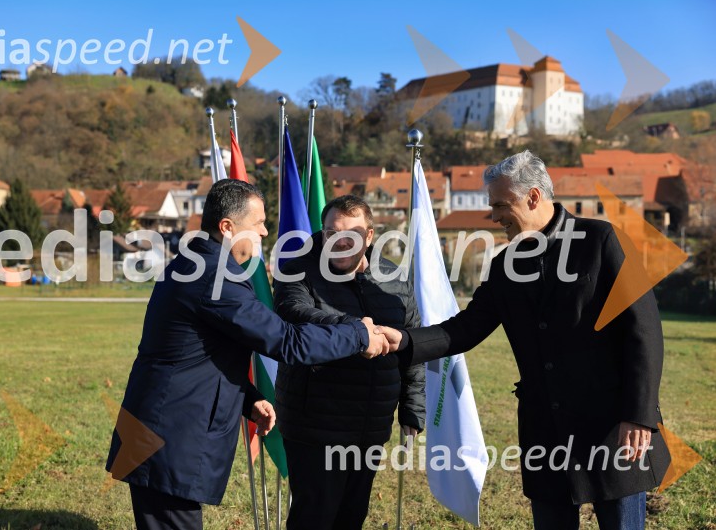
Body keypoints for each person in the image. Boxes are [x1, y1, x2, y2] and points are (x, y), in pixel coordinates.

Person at [380, 151, 670, 530]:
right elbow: (464, 329)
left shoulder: (601, 241)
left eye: (501, 205)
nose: (495, 216)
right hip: (545, 432)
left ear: (533, 197)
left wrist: (639, 416)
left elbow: (643, 332)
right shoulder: (505, 267)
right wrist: (401, 340)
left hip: (612, 429)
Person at [105, 180, 393, 530]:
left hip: (158, 429)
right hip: (167, 438)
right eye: (257, 223)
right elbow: (288, 342)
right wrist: (358, 334)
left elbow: (197, 354)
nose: (265, 231)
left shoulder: (199, 263)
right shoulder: (214, 277)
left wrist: (249, 399)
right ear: (227, 227)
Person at [272, 195, 426, 530]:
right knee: (314, 519)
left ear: (369, 237)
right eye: (331, 233)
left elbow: (411, 341)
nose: (339, 242)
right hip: (315, 424)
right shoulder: (297, 268)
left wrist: (412, 405)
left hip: (370, 425)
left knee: (352, 517)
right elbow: (293, 312)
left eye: (351, 235)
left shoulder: (394, 279)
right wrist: (356, 330)